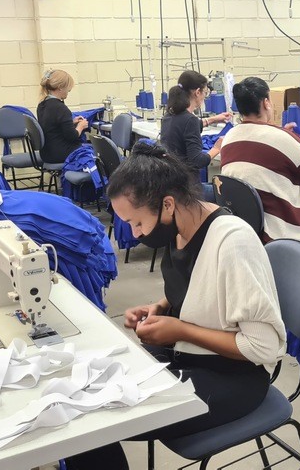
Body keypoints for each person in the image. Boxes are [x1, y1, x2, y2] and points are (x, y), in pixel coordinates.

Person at [64, 142, 286, 470]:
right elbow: (196, 283)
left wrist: (180, 329)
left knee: (93, 426)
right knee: (83, 395)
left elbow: (263, 347)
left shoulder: (233, 243)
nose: (136, 235)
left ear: (167, 204)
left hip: (236, 376)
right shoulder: (180, 228)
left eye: (138, 223)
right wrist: (161, 307)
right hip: (189, 356)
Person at [220, 77, 300, 244]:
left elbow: (259, 149)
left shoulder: (228, 138)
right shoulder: (282, 138)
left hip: (251, 235)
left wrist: (283, 136)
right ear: (266, 103)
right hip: (285, 236)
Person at [159, 70, 233, 199]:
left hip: (171, 185)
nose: (205, 96)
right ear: (197, 92)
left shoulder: (169, 115)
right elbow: (198, 161)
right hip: (188, 190)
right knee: (229, 195)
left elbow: (186, 125)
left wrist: (214, 119)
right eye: (205, 92)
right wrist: (216, 148)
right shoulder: (189, 120)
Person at [36, 69, 88, 164]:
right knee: (95, 150)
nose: (69, 90)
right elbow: (72, 137)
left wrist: (71, 122)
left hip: (46, 154)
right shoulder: (61, 108)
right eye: (68, 88)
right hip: (60, 153)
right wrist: (81, 126)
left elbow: (51, 126)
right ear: (60, 87)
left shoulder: (42, 105)